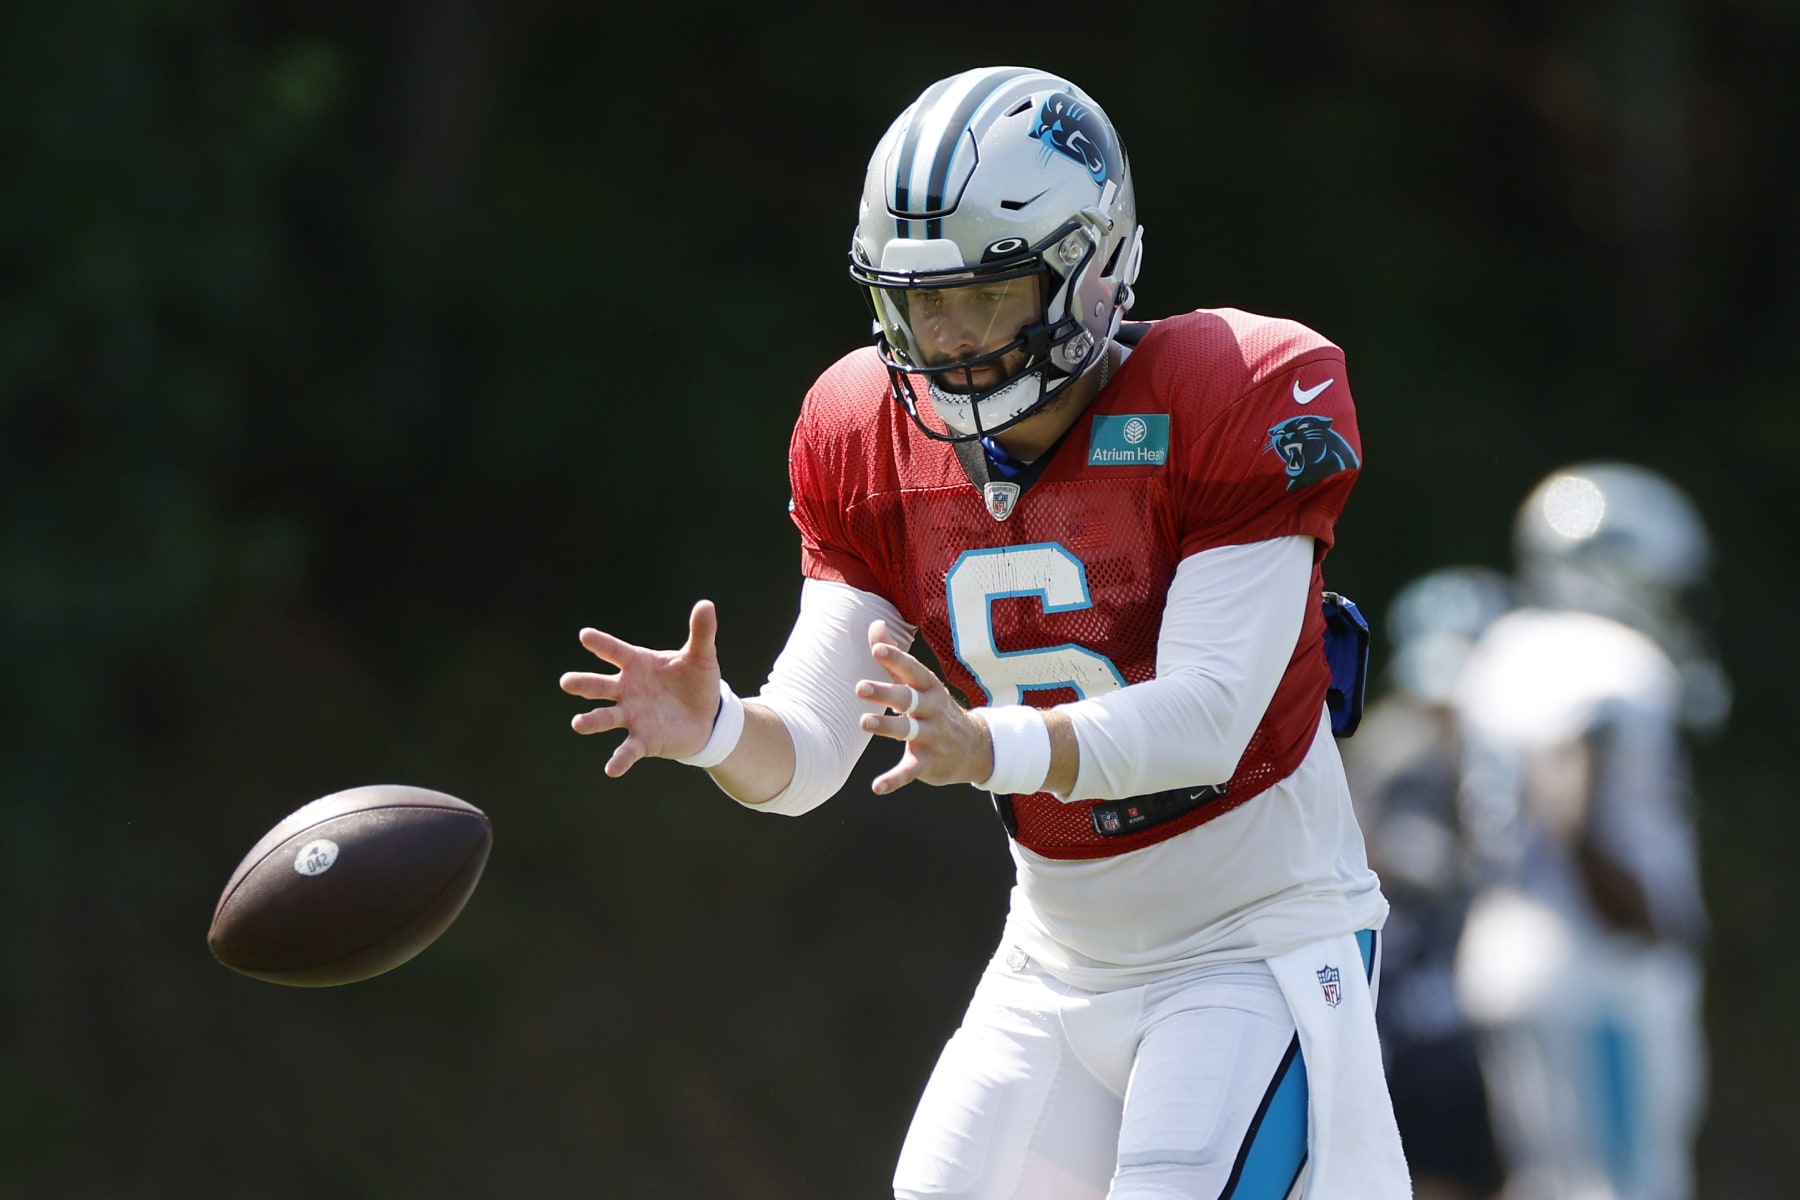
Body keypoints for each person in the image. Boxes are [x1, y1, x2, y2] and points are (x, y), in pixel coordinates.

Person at [561, 66, 1408, 1200]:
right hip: (1058, 958)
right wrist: (715, 728)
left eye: (986, 292)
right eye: (921, 301)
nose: (948, 336)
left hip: (1251, 943)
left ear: (1090, 270)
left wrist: (990, 747)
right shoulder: (862, 431)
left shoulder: (1231, 389)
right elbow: (810, 753)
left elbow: (1209, 722)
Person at [1451, 463, 1723, 1200]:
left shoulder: (1505, 647)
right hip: (1595, 965)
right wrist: (1635, 916)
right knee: (1627, 1183)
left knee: (1550, 1179)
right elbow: (1566, 789)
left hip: (1510, 943)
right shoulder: (1610, 661)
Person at [1340, 567, 1514, 1200]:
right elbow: (1402, 860)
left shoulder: (1474, 744)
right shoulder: (1403, 746)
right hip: (1414, 1008)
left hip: (1445, 998)